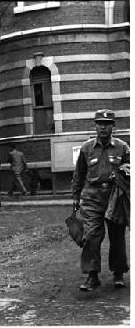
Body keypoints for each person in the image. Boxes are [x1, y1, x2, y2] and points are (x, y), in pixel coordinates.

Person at [72, 109, 130, 291]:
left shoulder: (123, 147)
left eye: (107, 124)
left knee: (117, 237)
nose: (103, 127)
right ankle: (92, 275)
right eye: (100, 124)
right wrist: (75, 197)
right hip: (92, 198)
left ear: (113, 126)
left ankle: (118, 274)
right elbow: (79, 174)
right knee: (91, 237)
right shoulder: (86, 148)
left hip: (115, 198)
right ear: (95, 125)